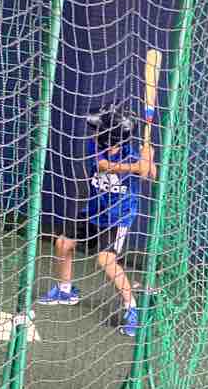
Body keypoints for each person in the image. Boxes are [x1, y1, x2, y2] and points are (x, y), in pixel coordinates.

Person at [38, 105, 155, 336]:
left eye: (100, 129)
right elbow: (103, 166)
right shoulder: (96, 147)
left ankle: (132, 308)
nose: (95, 132)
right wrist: (136, 166)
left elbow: (150, 175)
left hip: (117, 217)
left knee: (105, 260)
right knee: (63, 243)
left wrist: (148, 160)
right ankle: (65, 290)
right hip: (93, 210)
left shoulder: (133, 153)